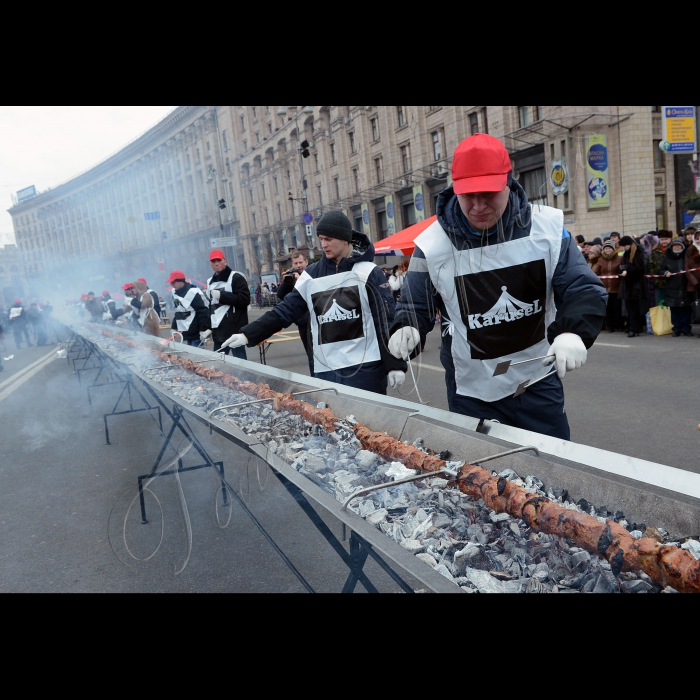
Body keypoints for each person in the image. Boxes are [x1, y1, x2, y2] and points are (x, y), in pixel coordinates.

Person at [388, 133, 607, 439]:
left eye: (488, 194)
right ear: (454, 189)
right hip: (471, 391)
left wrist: (573, 330)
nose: (478, 206)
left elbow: (583, 288)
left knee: (551, 470)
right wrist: (406, 327)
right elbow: (414, 304)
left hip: (536, 382)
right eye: (468, 196)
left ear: (507, 182)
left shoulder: (548, 230)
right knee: (483, 479)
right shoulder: (433, 245)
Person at [221, 210, 407, 394]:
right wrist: (247, 335)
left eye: (328, 239)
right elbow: (285, 311)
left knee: (368, 423)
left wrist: (394, 364)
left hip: (366, 369)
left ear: (344, 238)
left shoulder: (368, 272)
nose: (323, 244)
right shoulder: (311, 275)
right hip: (326, 370)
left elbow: (385, 320)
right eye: (321, 239)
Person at [201, 249, 250, 358]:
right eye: (213, 261)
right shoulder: (210, 281)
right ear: (210, 264)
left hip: (235, 330)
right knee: (218, 365)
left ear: (225, 261)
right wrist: (208, 327)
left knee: (241, 364)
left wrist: (222, 296)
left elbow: (244, 300)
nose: (216, 263)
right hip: (218, 332)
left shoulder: (236, 277)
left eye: (219, 260)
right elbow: (211, 307)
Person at [276, 251, 313, 374]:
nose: (298, 265)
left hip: (314, 320)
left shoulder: (311, 274)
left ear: (306, 262)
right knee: (310, 354)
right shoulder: (291, 276)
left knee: (317, 354)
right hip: (302, 322)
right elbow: (281, 295)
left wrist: (299, 282)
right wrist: (286, 282)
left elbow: (310, 294)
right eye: (296, 263)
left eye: (300, 262)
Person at [660, 237, 693, 336]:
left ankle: (686, 329)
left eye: (679, 245)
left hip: (685, 287)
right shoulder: (667, 257)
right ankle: (676, 329)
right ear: (672, 247)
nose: (677, 247)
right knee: (674, 310)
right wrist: (665, 272)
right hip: (672, 288)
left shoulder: (686, 257)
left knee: (686, 310)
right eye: (675, 245)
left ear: (682, 246)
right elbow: (660, 270)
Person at [167, 270, 209, 346]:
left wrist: (203, 329)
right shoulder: (175, 292)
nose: (172, 285)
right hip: (186, 331)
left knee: (196, 356)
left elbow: (202, 311)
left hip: (196, 331)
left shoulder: (193, 292)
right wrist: (174, 326)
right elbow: (178, 311)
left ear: (181, 281)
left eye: (174, 282)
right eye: (171, 283)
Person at [617, 235, 647, 337]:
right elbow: (624, 266)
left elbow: (640, 268)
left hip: (635, 284)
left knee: (635, 307)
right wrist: (621, 271)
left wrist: (627, 271)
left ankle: (635, 327)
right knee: (630, 307)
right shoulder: (626, 254)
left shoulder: (638, 252)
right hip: (628, 283)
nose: (623, 248)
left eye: (625, 246)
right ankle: (633, 326)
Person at [592, 240, 624, 332]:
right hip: (605, 288)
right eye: (606, 248)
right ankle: (610, 326)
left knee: (617, 308)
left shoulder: (619, 258)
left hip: (617, 287)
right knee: (608, 309)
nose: (608, 250)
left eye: (610, 248)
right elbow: (596, 272)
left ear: (613, 249)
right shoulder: (600, 260)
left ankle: (619, 325)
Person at [647, 229, 673, 306]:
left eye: (666, 239)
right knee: (660, 305)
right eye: (662, 239)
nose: (664, 241)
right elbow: (650, 265)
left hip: (672, 284)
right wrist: (654, 278)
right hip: (659, 284)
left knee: (671, 306)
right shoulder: (655, 251)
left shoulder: (674, 249)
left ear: (670, 239)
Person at [685, 229, 700, 329]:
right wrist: (696, 283)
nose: (699, 240)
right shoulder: (690, 250)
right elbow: (687, 269)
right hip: (697, 285)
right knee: (698, 307)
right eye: (697, 239)